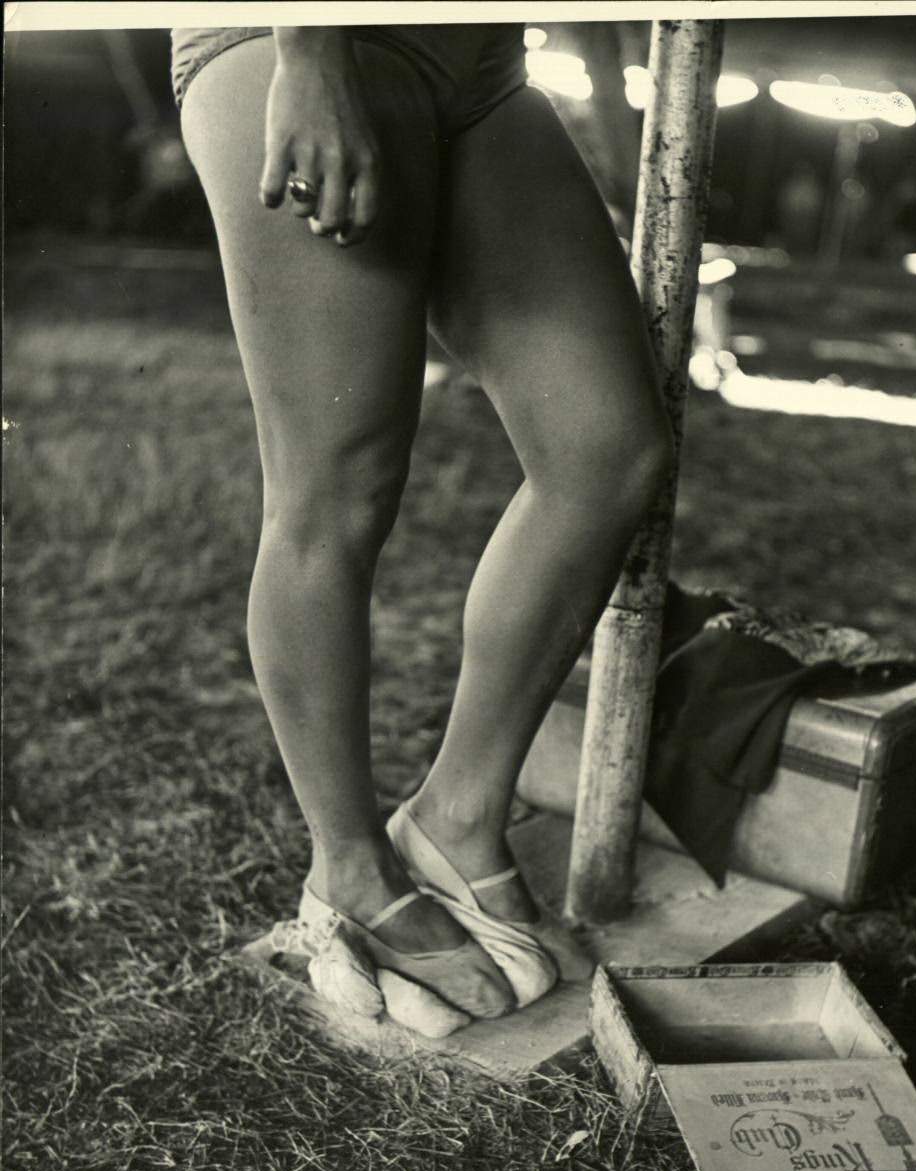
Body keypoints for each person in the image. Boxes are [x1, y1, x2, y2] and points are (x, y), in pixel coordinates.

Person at [174, 22, 672, 1031]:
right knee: (336, 491)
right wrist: (311, 48)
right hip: (308, 37)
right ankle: (350, 865)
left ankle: (458, 816)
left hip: (483, 60)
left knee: (608, 449)